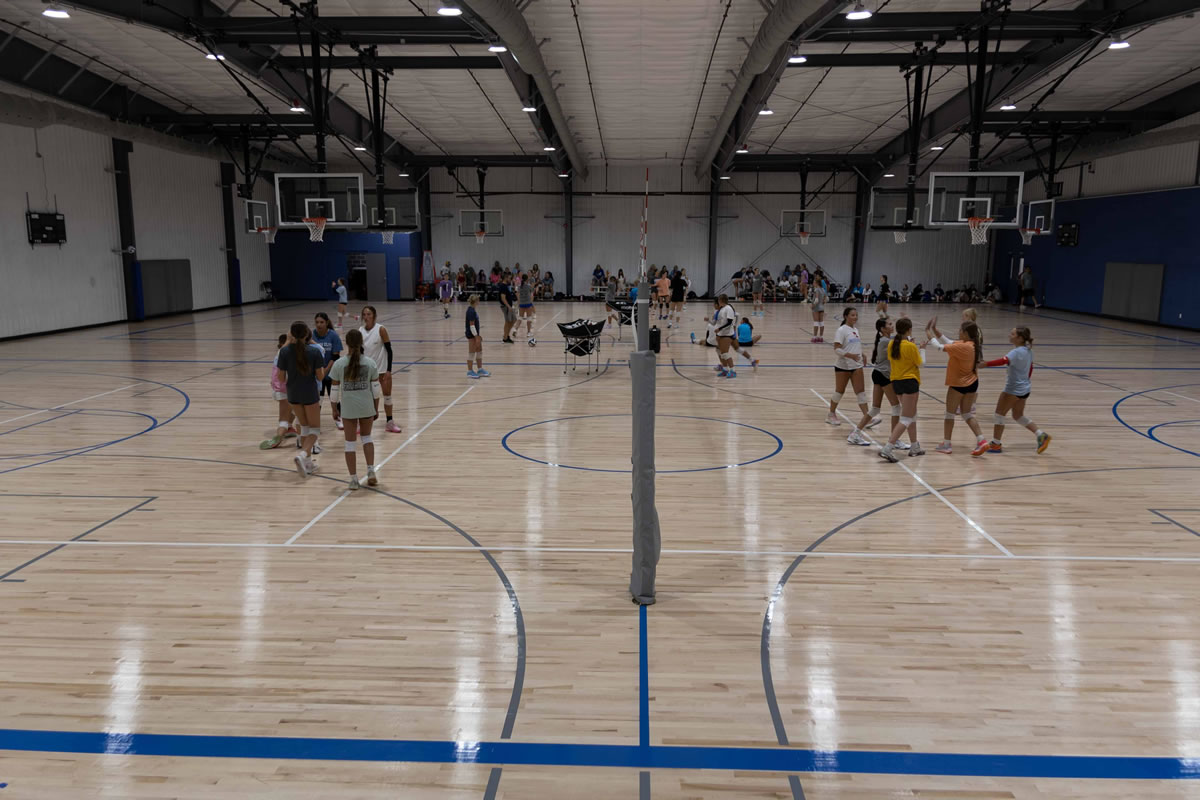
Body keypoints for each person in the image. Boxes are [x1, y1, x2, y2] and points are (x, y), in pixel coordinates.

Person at [980, 326, 1051, 455]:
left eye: (1012, 334)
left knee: (999, 414)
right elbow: (1030, 368)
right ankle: (1041, 435)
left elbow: (1003, 361)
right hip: (1025, 389)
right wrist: (1025, 382)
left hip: (1013, 389)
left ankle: (996, 444)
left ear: (1020, 338)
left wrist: (986, 364)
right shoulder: (1029, 351)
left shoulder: (1016, 352)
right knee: (1017, 416)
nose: (1009, 335)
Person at [925, 316, 989, 456]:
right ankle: (982, 440)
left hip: (959, 384)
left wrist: (927, 332)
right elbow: (948, 341)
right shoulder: (971, 344)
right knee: (967, 413)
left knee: (949, 414)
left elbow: (939, 347)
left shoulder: (962, 346)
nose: (958, 331)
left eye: (960, 330)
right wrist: (935, 330)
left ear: (965, 333)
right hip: (972, 382)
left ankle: (947, 445)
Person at [328, 328, 381, 490]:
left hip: (349, 409)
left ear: (347, 343)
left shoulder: (339, 364)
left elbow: (334, 392)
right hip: (366, 407)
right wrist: (376, 408)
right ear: (361, 342)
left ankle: (353, 479)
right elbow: (376, 390)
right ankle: (371, 471)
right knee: (367, 438)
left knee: (350, 444)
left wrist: (334, 409)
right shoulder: (370, 363)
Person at [276, 320, 326, 477]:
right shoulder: (314, 352)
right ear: (307, 334)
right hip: (309, 393)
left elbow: (280, 378)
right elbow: (320, 376)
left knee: (304, 427)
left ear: (291, 334)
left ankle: (308, 463)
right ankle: (303, 455)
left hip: (293, 394)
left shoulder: (284, 352)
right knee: (314, 429)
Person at [878, 317, 927, 461]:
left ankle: (914, 446)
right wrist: (922, 349)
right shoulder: (910, 346)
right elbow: (921, 364)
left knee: (912, 415)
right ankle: (888, 447)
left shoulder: (892, 343)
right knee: (906, 418)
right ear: (909, 330)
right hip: (909, 382)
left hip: (896, 382)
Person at [849, 318, 902, 449]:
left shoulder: (885, 340)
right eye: (889, 324)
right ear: (882, 329)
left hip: (878, 373)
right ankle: (894, 439)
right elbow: (899, 348)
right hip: (884, 375)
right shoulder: (886, 341)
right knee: (896, 407)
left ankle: (855, 434)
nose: (892, 326)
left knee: (875, 409)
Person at [827, 307, 874, 429]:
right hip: (843, 366)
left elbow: (853, 346)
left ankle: (867, 418)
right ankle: (831, 414)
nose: (855, 317)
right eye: (852, 315)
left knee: (861, 392)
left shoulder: (855, 330)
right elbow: (837, 349)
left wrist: (862, 354)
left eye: (856, 315)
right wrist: (850, 356)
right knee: (839, 391)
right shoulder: (841, 330)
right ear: (845, 316)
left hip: (856, 365)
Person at [359, 305, 400, 434]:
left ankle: (390, 422)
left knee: (387, 396)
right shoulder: (360, 331)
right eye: (364, 314)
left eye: (369, 314)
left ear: (374, 316)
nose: (366, 317)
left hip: (382, 370)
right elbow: (359, 352)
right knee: (366, 397)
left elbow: (389, 350)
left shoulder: (381, 329)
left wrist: (389, 370)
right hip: (366, 370)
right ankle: (364, 423)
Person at [260, 332, 299, 449]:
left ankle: (288, 427)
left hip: (281, 388)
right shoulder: (287, 353)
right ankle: (279, 437)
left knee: (293, 410)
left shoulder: (280, 352)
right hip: (286, 389)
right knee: (285, 416)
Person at [312, 313, 344, 430]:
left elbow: (335, 356)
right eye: (317, 322)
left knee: (334, 398)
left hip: (331, 373)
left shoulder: (333, 336)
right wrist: (318, 372)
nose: (319, 325)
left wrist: (325, 370)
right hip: (316, 375)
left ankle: (338, 419)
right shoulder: (311, 335)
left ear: (326, 323)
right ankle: (315, 423)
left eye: (321, 322)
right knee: (317, 400)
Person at [465, 294, 490, 379]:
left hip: (476, 334)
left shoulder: (473, 310)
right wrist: (476, 336)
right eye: (478, 300)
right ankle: (470, 371)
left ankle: (480, 369)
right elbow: (472, 326)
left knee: (479, 351)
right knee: (472, 353)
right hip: (471, 335)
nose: (479, 301)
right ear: (475, 301)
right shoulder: (471, 311)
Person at [714, 294, 738, 378]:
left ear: (721, 300)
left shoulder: (728, 308)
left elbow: (729, 322)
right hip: (720, 333)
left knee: (725, 353)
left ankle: (733, 371)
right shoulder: (722, 309)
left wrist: (719, 328)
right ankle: (725, 369)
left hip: (727, 334)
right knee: (719, 351)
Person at [517, 271, 536, 344]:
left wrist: (519, 302)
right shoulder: (528, 286)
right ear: (527, 279)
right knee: (529, 318)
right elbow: (532, 292)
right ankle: (528, 332)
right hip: (528, 303)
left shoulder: (519, 286)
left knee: (520, 318)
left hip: (521, 304)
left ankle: (515, 330)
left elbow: (517, 294)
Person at [499, 272, 517, 343]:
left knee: (514, 319)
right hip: (506, 307)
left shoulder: (506, 285)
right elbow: (503, 298)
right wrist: (509, 306)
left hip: (509, 306)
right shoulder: (503, 286)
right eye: (509, 278)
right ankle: (505, 337)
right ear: (505, 278)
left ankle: (506, 335)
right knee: (507, 322)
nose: (510, 279)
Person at [810, 277, 828, 343]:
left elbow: (816, 299)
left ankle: (814, 337)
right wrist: (823, 302)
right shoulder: (823, 289)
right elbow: (826, 299)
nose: (813, 283)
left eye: (813, 282)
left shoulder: (816, 289)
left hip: (816, 308)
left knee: (816, 322)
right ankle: (821, 337)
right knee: (821, 322)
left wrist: (813, 305)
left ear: (817, 283)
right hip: (822, 307)